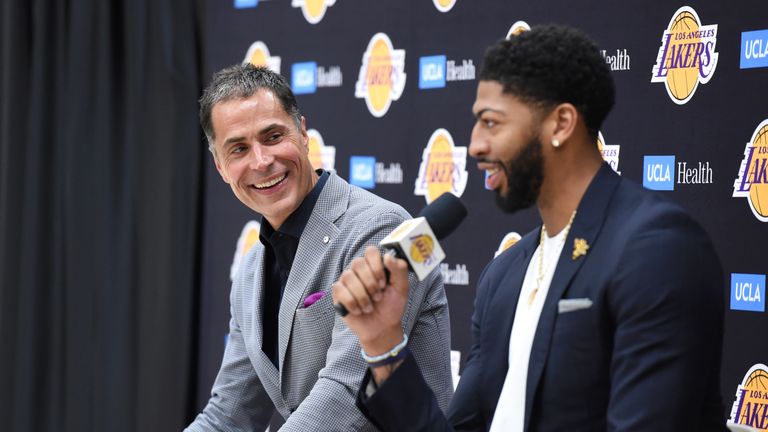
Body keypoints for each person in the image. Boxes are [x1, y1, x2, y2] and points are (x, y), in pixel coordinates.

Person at [332, 24, 725, 431]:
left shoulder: (656, 248)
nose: (475, 146)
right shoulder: (505, 275)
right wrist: (383, 343)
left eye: (491, 123)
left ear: (560, 124)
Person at [186, 64, 453, 431]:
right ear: (220, 166)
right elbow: (229, 414)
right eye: (239, 149)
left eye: (273, 136)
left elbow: (346, 393)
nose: (262, 161)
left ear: (303, 133)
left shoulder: (382, 227)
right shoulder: (249, 271)